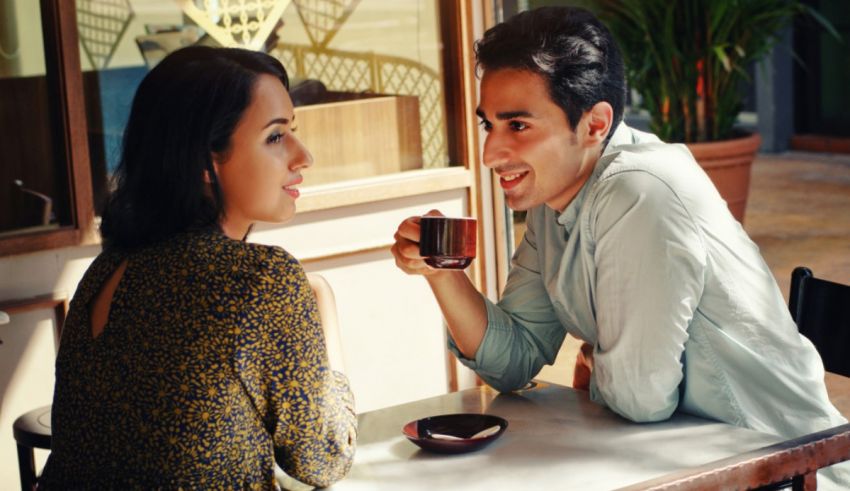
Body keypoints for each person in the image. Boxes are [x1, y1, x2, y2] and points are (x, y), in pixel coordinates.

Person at [391, 6, 849, 487]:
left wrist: (595, 364)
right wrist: (442, 273)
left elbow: (640, 401)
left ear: (594, 124)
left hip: (781, 472)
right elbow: (513, 361)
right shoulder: (555, 201)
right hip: (674, 463)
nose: (490, 153)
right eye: (489, 125)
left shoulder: (640, 192)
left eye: (518, 126)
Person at [39, 46, 356, 489]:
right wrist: (322, 305)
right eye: (276, 137)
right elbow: (325, 458)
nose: (303, 156)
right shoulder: (259, 281)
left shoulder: (106, 270)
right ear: (205, 159)